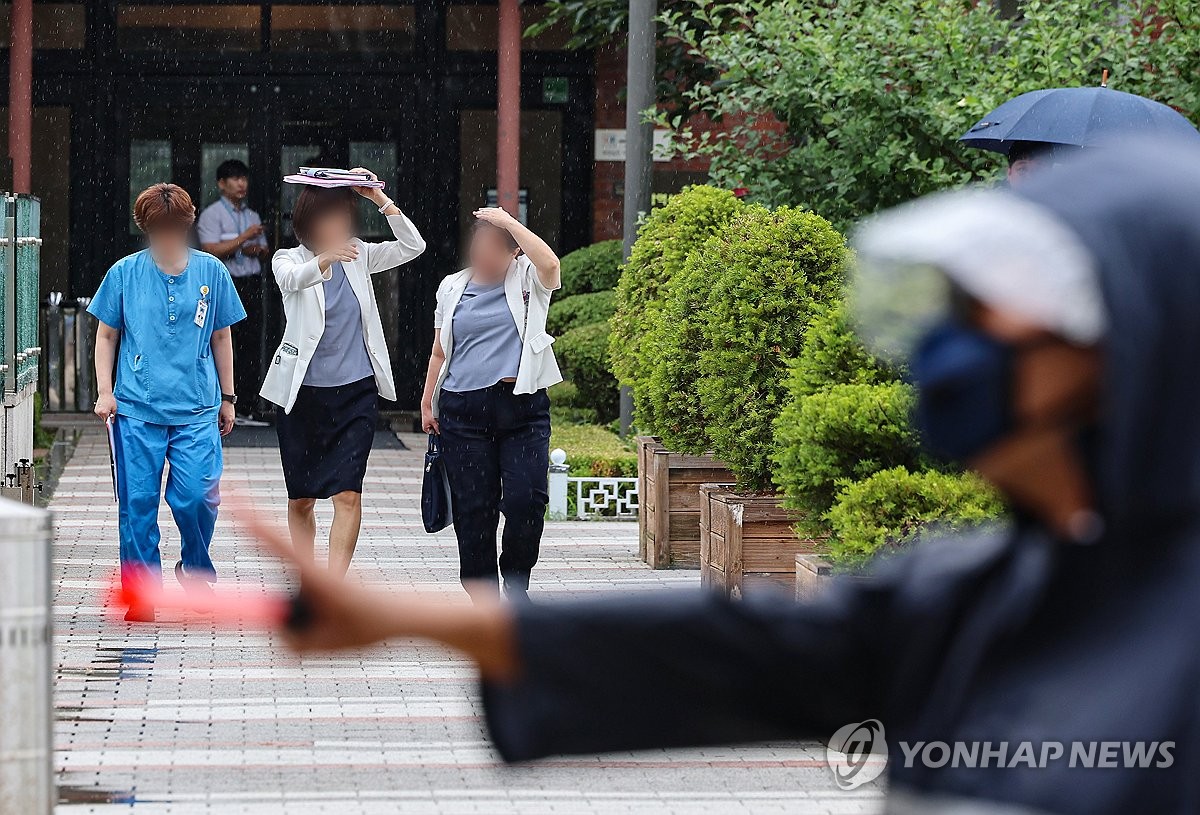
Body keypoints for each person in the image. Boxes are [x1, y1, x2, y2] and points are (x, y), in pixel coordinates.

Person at [248, 141, 1200, 813]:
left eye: (995, 323)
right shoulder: (977, 587)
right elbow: (729, 648)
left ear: (1133, 354)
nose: (952, 352)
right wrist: (400, 620)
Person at [91, 183, 246, 623]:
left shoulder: (211, 272)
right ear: (145, 228)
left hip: (196, 407)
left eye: (174, 228)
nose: (167, 237)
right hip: (137, 409)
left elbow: (221, 335)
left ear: (187, 224)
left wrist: (229, 398)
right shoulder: (124, 273)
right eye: (158, 229)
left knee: (198, 496)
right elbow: (106, 336)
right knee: (136, 504)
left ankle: (195, 569)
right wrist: (106, 391)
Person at [260, 169, 426, 577]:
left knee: (348, 493)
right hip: (303, 396)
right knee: (301, 499)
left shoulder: (359, 253)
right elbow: (291, 279)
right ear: (309, 222)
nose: (339, 227)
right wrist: (324, 259)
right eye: (330, 219)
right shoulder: (291, 258)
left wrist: (379, 201)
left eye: (344, 219)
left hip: (355, 393)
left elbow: (413, 245)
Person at [419, 208, 562, 603]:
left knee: (526, 500)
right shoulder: (452, 287)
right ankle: (483, 600)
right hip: (463, 410)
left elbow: (550, 262)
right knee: (474, 510)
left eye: (492, 250)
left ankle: (517, 584)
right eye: (477, 248)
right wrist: (428, 401)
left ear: (514, 251)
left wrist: (510, 223)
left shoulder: (530, 280)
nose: (482, 258)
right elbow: (438, 352)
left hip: (522, 409)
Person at [197, 158, 270, 426]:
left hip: (249, 283)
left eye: (244, 178)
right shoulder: (212, 214)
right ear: (221, 184)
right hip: (224, 284)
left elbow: (263, 249)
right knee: (224, 343)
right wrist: (243, 240)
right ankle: (222, 404)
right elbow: (210, 250)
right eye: (235, 179)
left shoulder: (252, 216)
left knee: (251, 344)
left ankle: (248, 406)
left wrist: (256, 248)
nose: (242, 184)